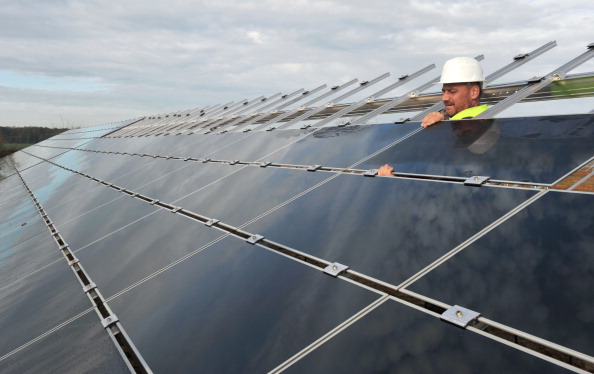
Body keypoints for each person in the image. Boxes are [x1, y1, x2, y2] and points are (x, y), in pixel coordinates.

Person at [378, 57, 488, 176]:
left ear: (474, 92)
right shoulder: (473, 124)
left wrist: (392, 180)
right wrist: (443, 117)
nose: (444, 98)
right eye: (444, 91)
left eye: (452, 91)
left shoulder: (477, 129)